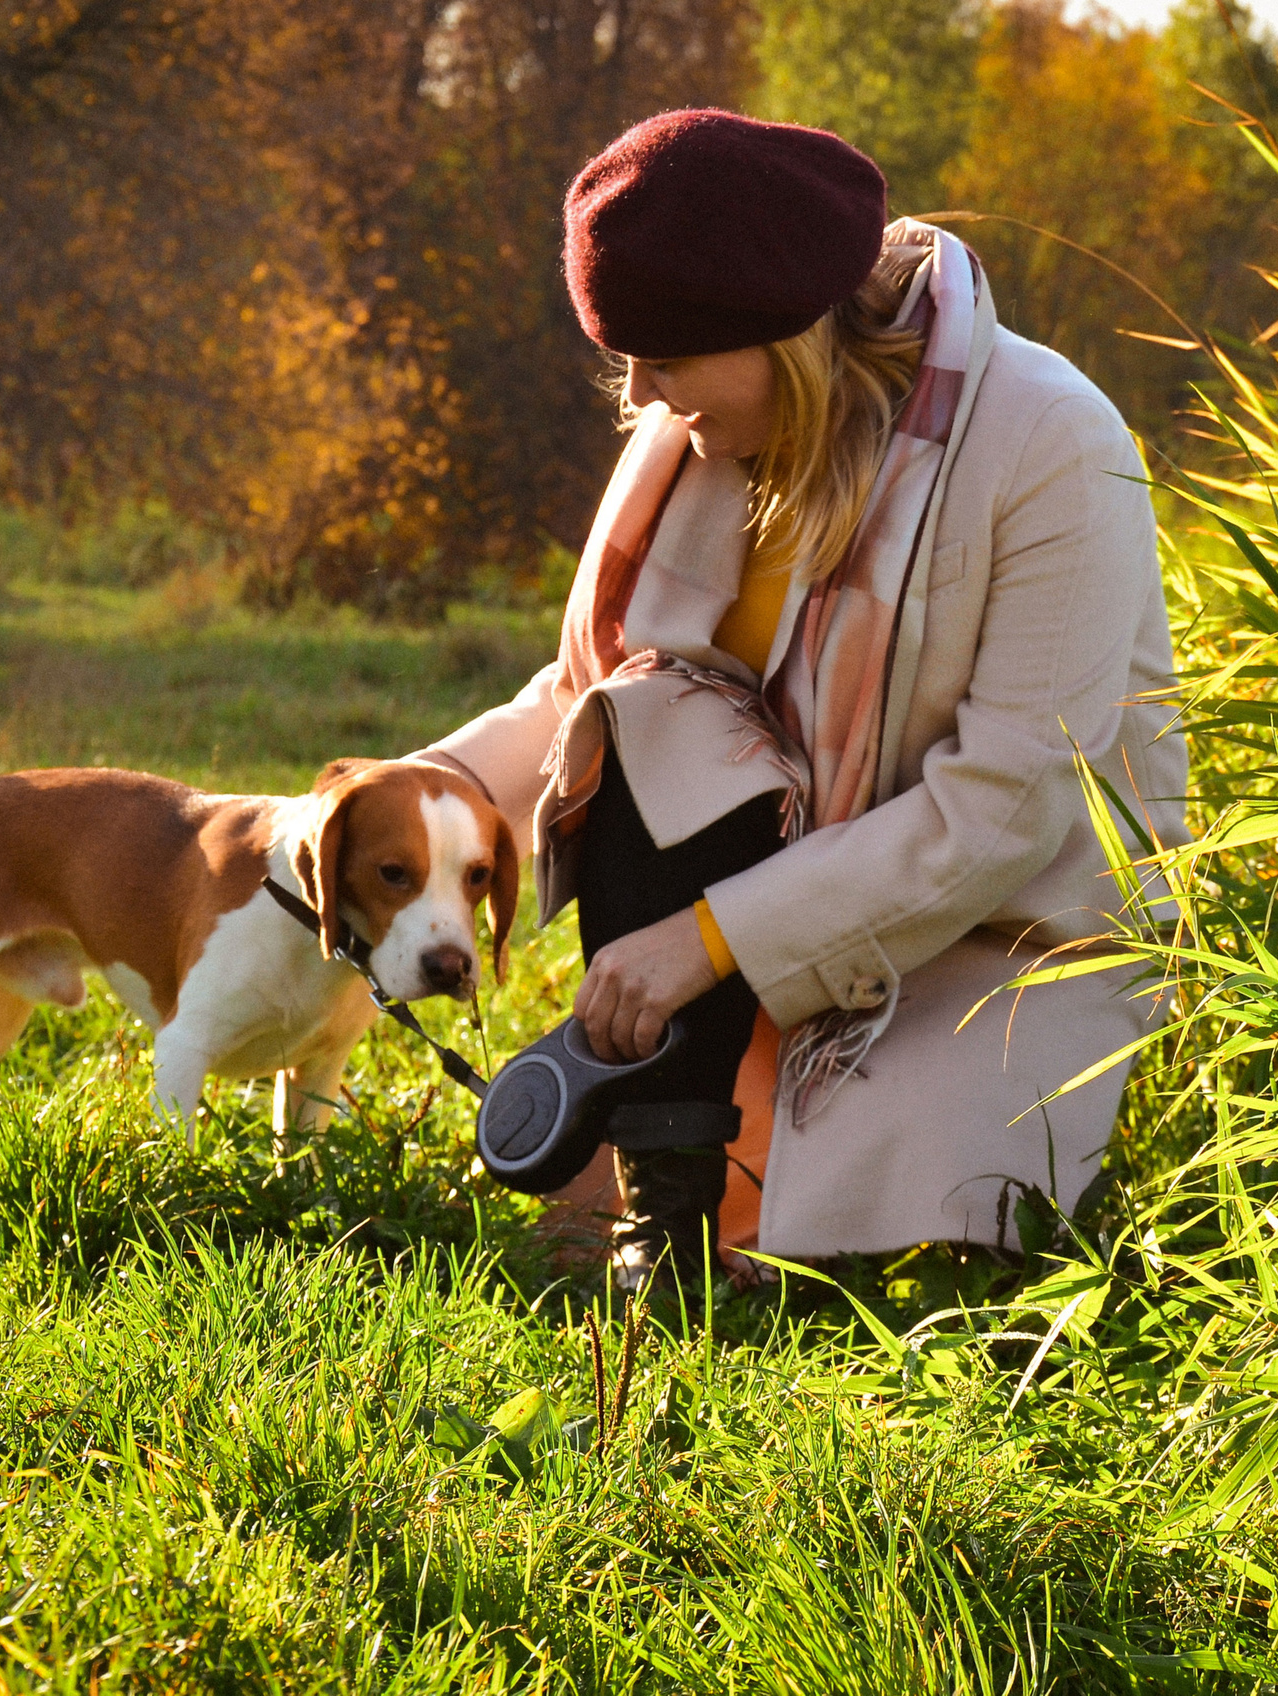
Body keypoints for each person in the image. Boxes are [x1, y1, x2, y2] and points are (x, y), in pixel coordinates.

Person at [414, 108, 1185, 1284]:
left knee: (925, 1272)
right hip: (783, 895)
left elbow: (1007, 807)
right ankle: (666, 1214)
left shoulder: (1052, 443)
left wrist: (707, 940)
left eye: (663, 357)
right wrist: (424, 786)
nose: (640, 394)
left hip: (995, 933)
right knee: (648, 715)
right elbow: (589, 694)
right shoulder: (700, 437)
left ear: (779, 336)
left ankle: (818, 1190)